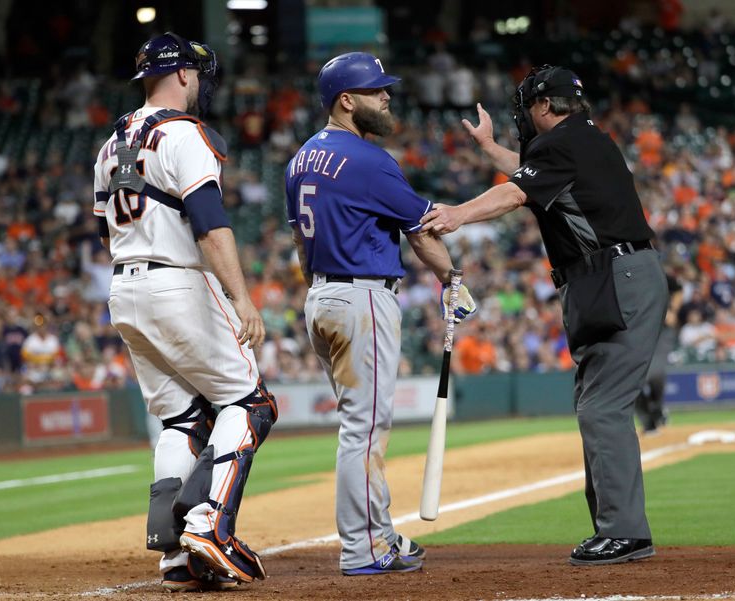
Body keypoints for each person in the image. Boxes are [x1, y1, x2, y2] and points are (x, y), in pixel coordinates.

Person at [422, 65, 668, 566]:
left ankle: (626, 532)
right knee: (596, 405)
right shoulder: (583, 139)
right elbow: (531, 178)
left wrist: (457, 214)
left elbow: (518, 192)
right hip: (610, 276)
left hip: (614, 277)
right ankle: (616, 529)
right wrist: (491, 151)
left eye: (527, 107)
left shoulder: (562, 144)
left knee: (602, 408)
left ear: (542, 106)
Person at [92, 32, 278, 592]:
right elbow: (210, 224)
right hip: (175, 281)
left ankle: (175, 554)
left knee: (182, 420)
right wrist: (242, 297)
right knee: (251, 403)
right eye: (197, 75)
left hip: (124, 286)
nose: (200, 85)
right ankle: (208, 528)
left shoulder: (112, 144)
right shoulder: (184, 134)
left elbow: (106, 229)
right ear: (181, 75)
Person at [285, 52, 476, 576]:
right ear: (347, 101)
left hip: (322, 295)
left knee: (359, 425)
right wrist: (452, 280)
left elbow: (301, 243)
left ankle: (379, 533)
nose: (387, 97)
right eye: (376, 91)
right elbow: (421, 230)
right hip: (361, 297)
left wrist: (322, 292)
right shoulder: (367, 160)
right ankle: (366, 548)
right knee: (365, 430)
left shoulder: (300, 158)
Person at [635, 272, 682, 433]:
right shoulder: (624, 274)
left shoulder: (656, 272)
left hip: (662, 330)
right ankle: (649, 421)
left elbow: (677, 289)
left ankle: (656, 408)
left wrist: (673, 310)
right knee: (632, 379)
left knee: (655, 372)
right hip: (639, 330)